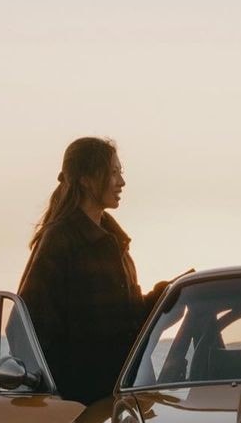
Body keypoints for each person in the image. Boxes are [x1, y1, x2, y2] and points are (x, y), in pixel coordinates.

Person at [18, 137, 175, 405]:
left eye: (120, 173)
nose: (121, 182)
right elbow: (31, 324)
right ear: (86, 179)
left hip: (124, 395)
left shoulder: (115, 242)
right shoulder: (61, 239)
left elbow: (127, 322)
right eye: (113, 173)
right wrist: (65, 396)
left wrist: (164, 297)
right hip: (83, 403)